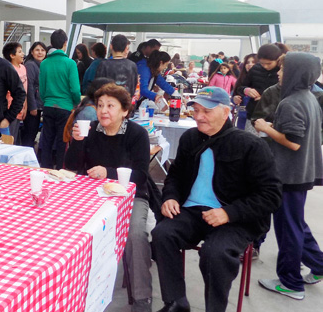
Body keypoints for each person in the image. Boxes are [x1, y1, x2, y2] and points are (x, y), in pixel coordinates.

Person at [151, 86, 281, 312]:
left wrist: (229, 213)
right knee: (162, 234)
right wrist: (170, 197)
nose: (199, 117)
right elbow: (176, 175)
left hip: (234, 217)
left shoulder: (251, 145)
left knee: (215, 253)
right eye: (196, 110)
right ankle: (175, 302)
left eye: (207, 111)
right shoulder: (191, 138)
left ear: (226, 111)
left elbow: (271, 195)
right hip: (192, 211)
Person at [63, 83, 153, 312]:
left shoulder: (137, 134)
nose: (103, 110)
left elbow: (141, 176)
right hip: (93, 195)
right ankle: (74, 288)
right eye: (100, 105)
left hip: (132, 197)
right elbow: (72, 167)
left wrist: (108, 172)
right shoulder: (91, 129)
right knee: (68, 227)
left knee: (135, 235)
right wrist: (77, 142)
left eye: (110, 106)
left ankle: (142, 299)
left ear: (124, 111)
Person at [255, 52, 323, 300]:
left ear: (295, 72)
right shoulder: (308, 97)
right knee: (296, 225)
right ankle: (319, 264)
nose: (278, 74)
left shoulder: (292, 101)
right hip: (300, 173)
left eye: (283, 70)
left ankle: (291, 282)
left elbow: (293, 142)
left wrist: (264, 128)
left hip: (290, 175)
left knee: (289, 230)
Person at [38, 29, 81, 169]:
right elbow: (75, 90)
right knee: (63, 142)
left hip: (49, 106)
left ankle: (45, 169)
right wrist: (75, 103)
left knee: (47, 141)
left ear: (51, 43)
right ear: (65, 43)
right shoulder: (70, 63)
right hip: (65, 107)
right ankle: (60, 170)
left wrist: (47, 100)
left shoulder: (44, 63)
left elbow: (42, 90)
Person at [234, 44, 282, 133]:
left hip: (273, 117)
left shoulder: (281, 72)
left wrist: (265, 98)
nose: (265, 66)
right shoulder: (255, 69)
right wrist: (246, 90)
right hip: (254, 115)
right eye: (262, 63)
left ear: (277, 60)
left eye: (269, 63)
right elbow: (240, 87)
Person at [96, 34, 140, 103]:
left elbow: (98, 88)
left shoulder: (103, 65)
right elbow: (134, 88)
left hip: (108, 105)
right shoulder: (132, 65)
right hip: (126, 106)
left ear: (111, 46)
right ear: (126, 48)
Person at [20, 41, 47, 148]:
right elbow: (29, 87)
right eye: (37, 50)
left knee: (33, 132)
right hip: (33, 107)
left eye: (42, 50)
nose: (40, 53)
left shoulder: (42, 65)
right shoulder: (31, 65)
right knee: (30, 134)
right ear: (32, 52)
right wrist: (32, 107)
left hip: (39, 105)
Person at [2, 41, 28, 140]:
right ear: (12, 55)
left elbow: (24, 89)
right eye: (20, 52)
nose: (23, 54)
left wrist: (25, 106)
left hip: (21, 108)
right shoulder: (8, 69)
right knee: (9, 138)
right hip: (10, 109)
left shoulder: (23, 68)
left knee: (16, 136)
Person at [232, 53, 258, 130]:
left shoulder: (263, 81)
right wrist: (234, 99)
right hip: (241, 119)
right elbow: (233, 95)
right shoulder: (240, 80)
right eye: (247, 62)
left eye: (253, 62)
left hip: (256, 121)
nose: (250, 64)